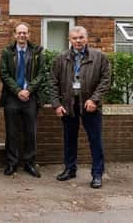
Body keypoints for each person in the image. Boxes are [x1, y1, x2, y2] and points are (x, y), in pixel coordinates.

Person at [50, 26, 111, 189]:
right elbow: (53, 83)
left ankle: (97, 174)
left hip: (90, 106)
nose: (78, 41)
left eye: (81, 37)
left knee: (95, 140)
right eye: (75, 38)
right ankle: (70, 169)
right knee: (69, 140)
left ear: (87, 38)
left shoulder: (99, 57)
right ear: (69, 39)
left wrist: (94, 100)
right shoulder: (61, 59)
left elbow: (105, 81)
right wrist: (56, 104)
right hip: (68, 106)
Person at [0, 22, 47, 177]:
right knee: (11, 132)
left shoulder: (37, 51)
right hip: (12, 97)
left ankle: (30, 163)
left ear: (29, 34)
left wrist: (28, 90)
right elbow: (4, 74)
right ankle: (11, 163)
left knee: (30, 132)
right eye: (19, 33)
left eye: (24, 33)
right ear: (14, 34)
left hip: (31, 97)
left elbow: (41, 74)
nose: (22, 35)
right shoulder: (7, 51)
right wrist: (18, 90)